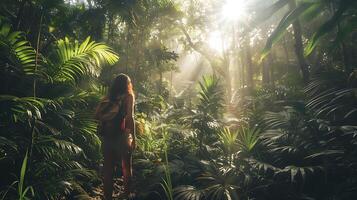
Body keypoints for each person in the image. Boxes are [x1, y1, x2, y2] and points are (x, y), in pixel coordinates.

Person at [95, 73, 136, 200]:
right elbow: (130, 117)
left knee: (108, 168)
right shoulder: (128, 96)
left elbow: (98, 115)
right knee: (126, 165)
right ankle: (126, 193)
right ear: (127, 84)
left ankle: (108, 196)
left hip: (107, 136)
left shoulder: (109, 96)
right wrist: (134, 137)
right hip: (122, 136)